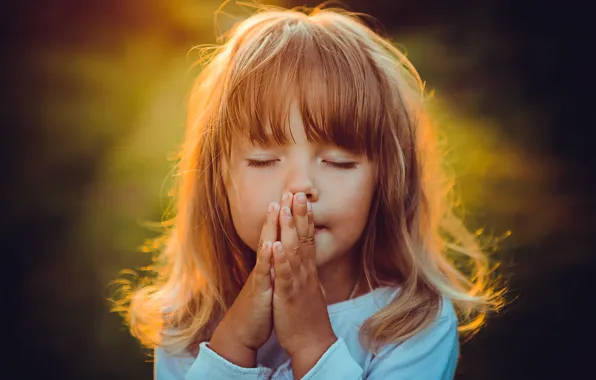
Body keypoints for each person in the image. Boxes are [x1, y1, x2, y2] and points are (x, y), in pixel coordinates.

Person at [113, 2, 506, 379]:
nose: (301, 186)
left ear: (385, 179)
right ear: (219, 180)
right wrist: (232, 344)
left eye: (339, 162)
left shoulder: (414, 325)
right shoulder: (188, 325)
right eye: (264, 160)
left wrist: (310, 342)